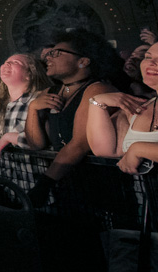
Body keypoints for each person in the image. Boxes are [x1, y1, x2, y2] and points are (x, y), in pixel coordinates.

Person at [24, 28, 125, 206]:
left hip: (99, 189)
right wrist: (32, 109)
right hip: (66, 185)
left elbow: (80, 144)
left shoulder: (97, 89)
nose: (48, 57)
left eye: (56, 53)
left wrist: (44, 183)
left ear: (83, 61)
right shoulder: (50, 92)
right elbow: (36, 144)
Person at [85, 42, 157, 175]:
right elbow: (104, 150)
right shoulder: (138, 109)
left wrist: (138, 149)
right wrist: (97, 102)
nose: (152, 63)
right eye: (147, 57)